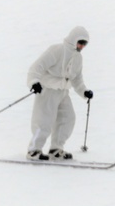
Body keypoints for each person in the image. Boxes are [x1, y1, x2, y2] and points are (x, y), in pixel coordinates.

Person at [26, 26, 94, 161]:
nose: (82, 46)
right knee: (44, 121)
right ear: (73, 39)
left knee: (68, 118)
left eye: (84, 44)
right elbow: (36, 67)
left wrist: (84, 92)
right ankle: (34, 150)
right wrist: (34, 82)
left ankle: (56, 149)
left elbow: (77, 79)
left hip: (63, 92)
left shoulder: (78, 58)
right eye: (80, 42)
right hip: (48, 90)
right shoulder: (56, 50)